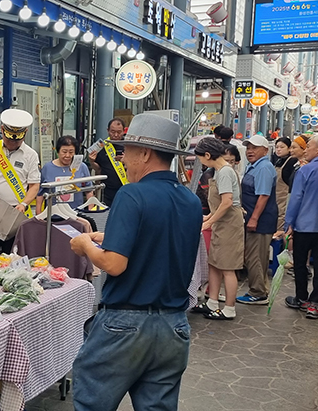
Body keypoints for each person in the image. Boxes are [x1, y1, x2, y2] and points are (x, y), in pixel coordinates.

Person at [69, 113, 202, 410]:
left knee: (92, 403)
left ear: (144, 153)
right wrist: (110, 236)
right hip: (174, 326)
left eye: (126, 152)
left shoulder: (132, 193)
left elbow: (114, 264)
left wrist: (85, 244)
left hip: (125, 324)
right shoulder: (190, 201)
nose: (123, 159)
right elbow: (159, 240)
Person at [0, 109, 40, 262]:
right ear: (2, 130)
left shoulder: (31, 155)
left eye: (17, 140)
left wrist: (24, 204)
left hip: (15, 213)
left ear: (25, 133)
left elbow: (34, 185)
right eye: (9, 138)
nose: (13, 142)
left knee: (14, 258)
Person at [192, 138, 244, 320]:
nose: (200, 161)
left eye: (200, 158)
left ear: (207, 155)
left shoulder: (225, 172)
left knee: (228, 267)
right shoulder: (219, 171)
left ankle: (229, 308)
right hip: (221, 223)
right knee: (214, 263)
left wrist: (209, 221)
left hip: (229, 224)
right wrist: (208, 217)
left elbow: (227, 202)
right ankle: (212, 302)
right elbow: (219, 204)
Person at [284, 134, 318, 319]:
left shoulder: (305, 170)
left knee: (300, 263)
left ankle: (301, 298)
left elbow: (296, 199)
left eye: (309, 146)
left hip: (304, 225)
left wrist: (289, 223)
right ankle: (315, 304)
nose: (306, 150)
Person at [236, 135, 278, 305]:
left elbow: (263, 195)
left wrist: (254, 219)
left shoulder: (264, 168)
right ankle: (258, 288)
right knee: (254, 256)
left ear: (265, 150)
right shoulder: (254, 166)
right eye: (248, 148)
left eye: (254, 148)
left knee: (255, 258)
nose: (250, 151)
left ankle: (258, 292)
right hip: (254, 218)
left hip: (260, 221)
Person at [36, 136, 94, 211]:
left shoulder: (82, 167)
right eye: (64, 152)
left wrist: (90, 210)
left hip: (77, 213)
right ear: (58, 151)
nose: (67, 155)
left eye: (71, 152)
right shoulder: (47, 168)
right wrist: (38, 214)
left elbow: (89, 190)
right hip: (53, 213)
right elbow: (40, 194)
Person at [88, 118, 127, 206]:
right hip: (107, 192)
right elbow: (98, 170)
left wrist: (127, 161)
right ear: (108, 130)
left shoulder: (129, 146)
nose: (116, 135)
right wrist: (91, 161)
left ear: (124, 131)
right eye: (113, 132)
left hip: (126, 189)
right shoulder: (101, 146)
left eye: (119, 132)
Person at [272, 137, 298, 237]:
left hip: (284, 201)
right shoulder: (278, 161)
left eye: (282, 147)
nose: (278, 149)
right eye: (277, 147)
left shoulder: (291, 162)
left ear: (289, 148)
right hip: (275, 200)